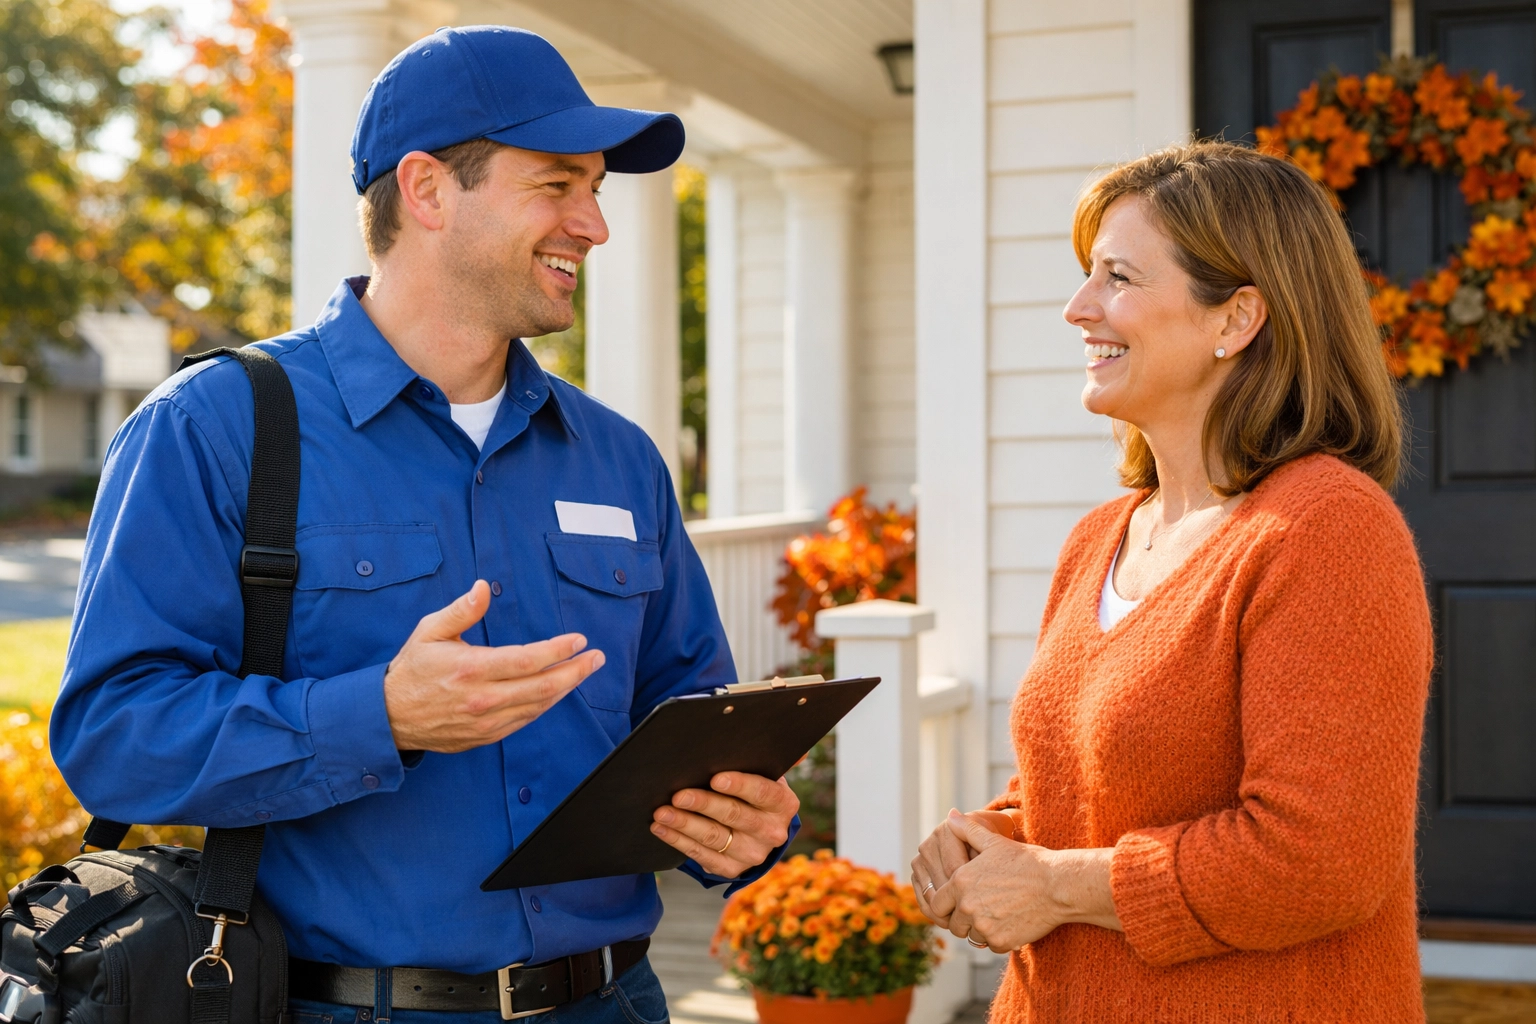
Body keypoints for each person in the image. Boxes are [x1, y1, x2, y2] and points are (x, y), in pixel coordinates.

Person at [52, 26, 800, 1024]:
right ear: (428, 190)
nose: (595, 225)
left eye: (597, 191)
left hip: (617, 1001)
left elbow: (682, 708)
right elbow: (113, 736)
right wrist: (381, 716)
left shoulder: (620, 459)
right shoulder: (213, 430)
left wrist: (738, 817)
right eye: (557, 186)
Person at [910, 141, 1433, 1022]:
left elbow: (1318, 858)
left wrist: (1057, 885)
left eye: (1117, 276)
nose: (1080, 308)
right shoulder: (1099, 539)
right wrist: (993, 840)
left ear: (1236, 319)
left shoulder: (1326, 529)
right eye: (1087, 275)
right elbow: (1090, 791)